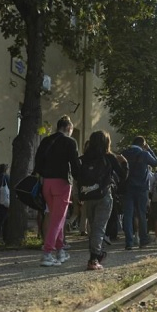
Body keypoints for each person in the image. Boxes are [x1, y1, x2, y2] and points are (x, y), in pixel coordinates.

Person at [33, 115, 80, 267]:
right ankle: (47, 253)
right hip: (62, 183)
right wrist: (82, 178)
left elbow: (38, 160)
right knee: (57, 220)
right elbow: (75, 164)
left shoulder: (46, 140)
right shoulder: (69, 142)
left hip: (47, 183)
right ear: (68, 128)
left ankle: (60, 251)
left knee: (55, 217)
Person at [80, 130, 127, 270]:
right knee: (99, 228)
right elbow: (123, 176)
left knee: (93, 227)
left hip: (88, 196)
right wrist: (124, 163)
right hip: (104, 196)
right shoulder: (109, 157)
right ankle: (94, 259)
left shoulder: (84, 158)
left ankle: (96, 255)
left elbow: (78, 175)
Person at [121, 136, 157, 249]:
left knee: (128, 215)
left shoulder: (125, 153)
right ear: (143, 144)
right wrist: (149, 149)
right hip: (141, 188)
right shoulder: (144, 154)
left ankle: (129, 242)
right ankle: (143, 240)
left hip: (127, 187)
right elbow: (155, 163)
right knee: (142, 214)